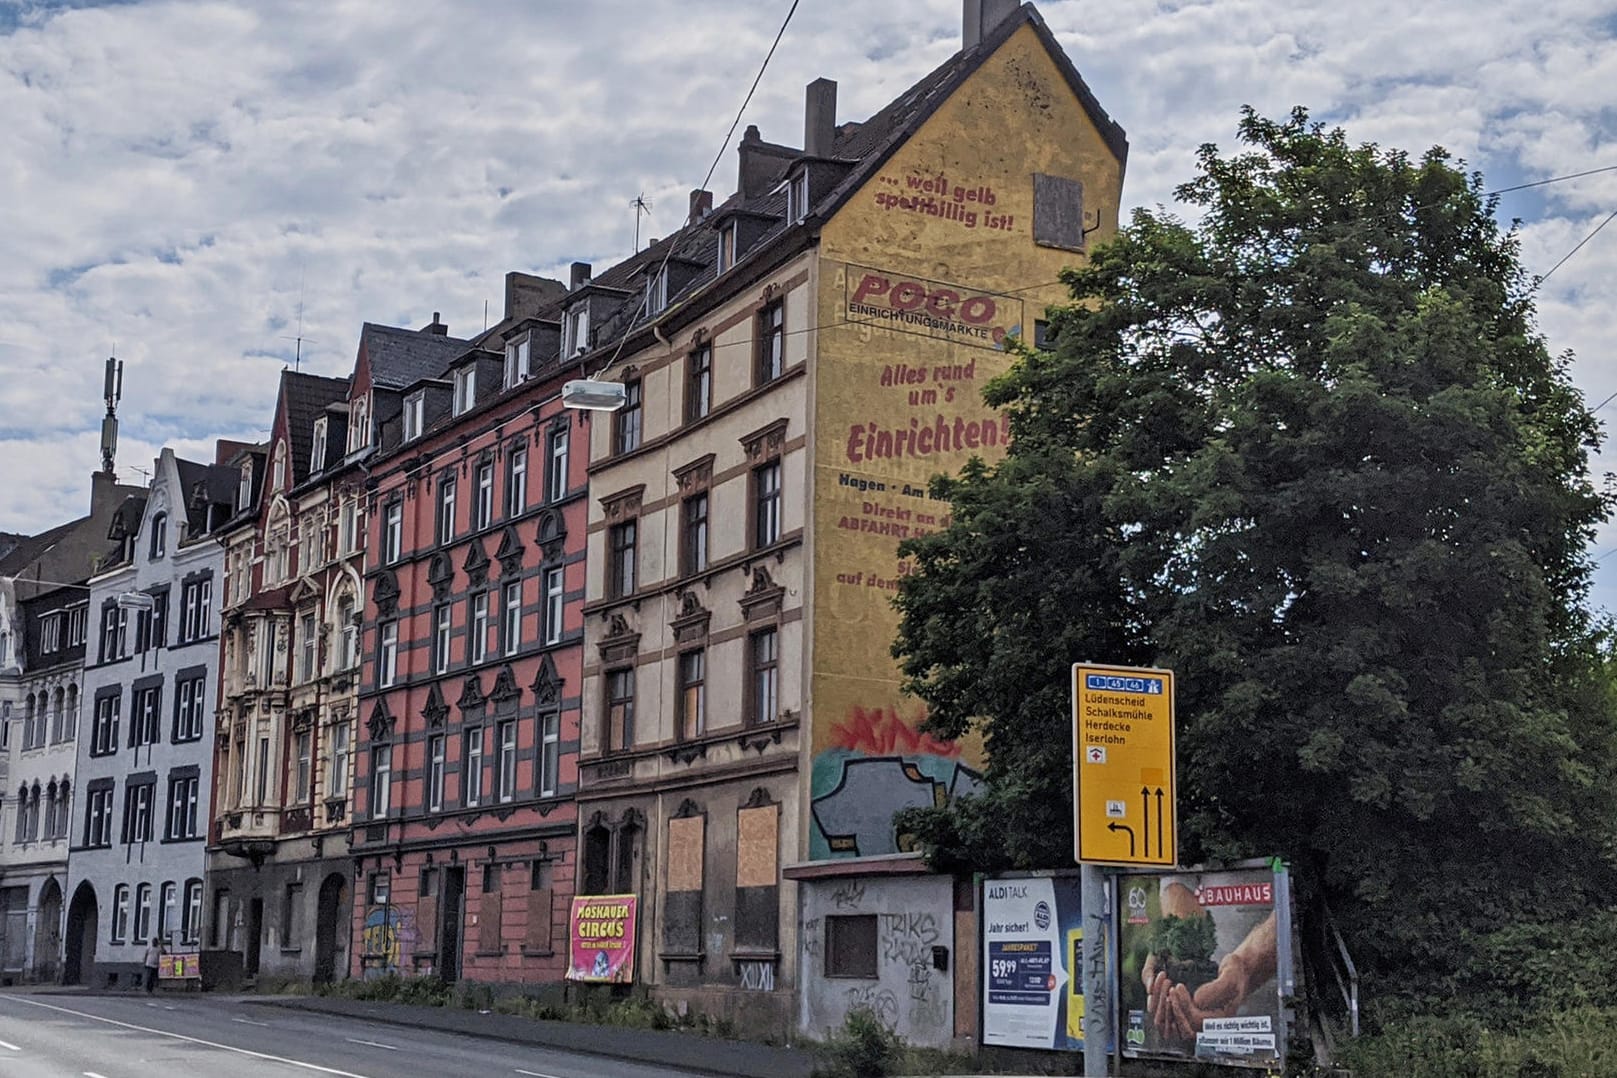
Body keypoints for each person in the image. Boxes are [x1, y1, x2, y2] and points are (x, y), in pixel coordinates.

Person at [1140, 881, 1278, 1046]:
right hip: (1211, 1028)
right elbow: (1178, 877)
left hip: (1282, 1015)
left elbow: (1300, 894)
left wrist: (1246, 967)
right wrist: (1176, 952)